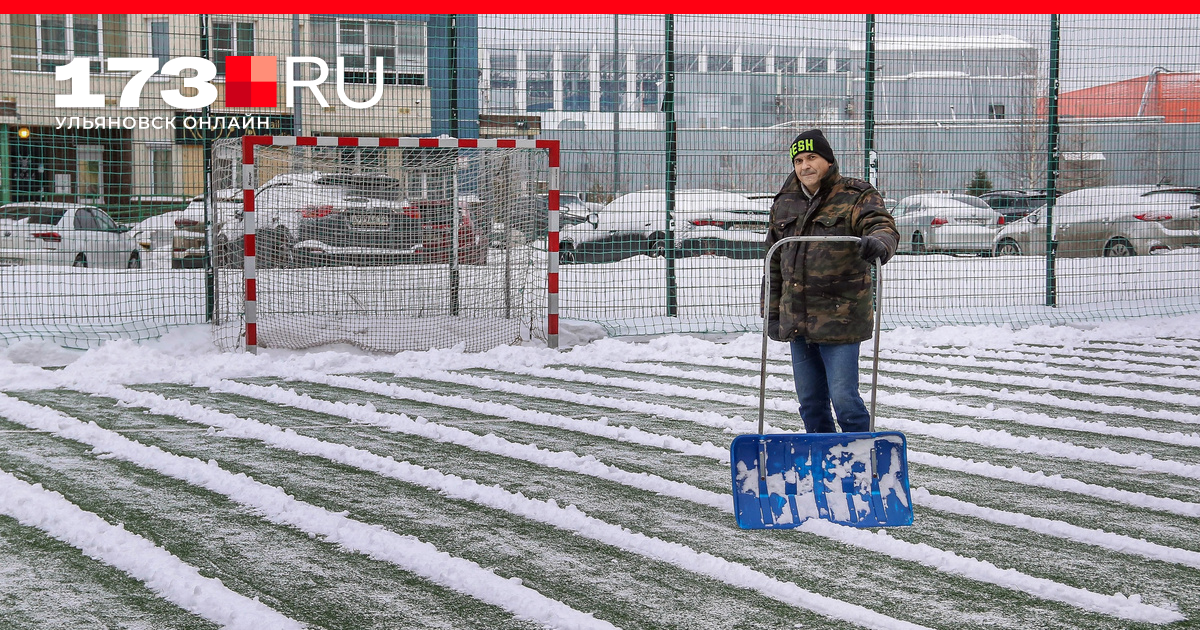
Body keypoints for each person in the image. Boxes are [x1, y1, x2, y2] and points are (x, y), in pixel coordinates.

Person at [764, 129, 898, 434]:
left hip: (841, 317)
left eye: (812, 157)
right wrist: (772, 314)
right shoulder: (785, 203)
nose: (804, 166)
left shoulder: (856, 195)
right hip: (797, 318)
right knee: (810, 403)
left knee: (844, 399)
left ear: (828, 160)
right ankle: (826, 467)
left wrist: (879, 242)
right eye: (798, 160)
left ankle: (860, 459)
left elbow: (881, 225)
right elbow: (774, 264)